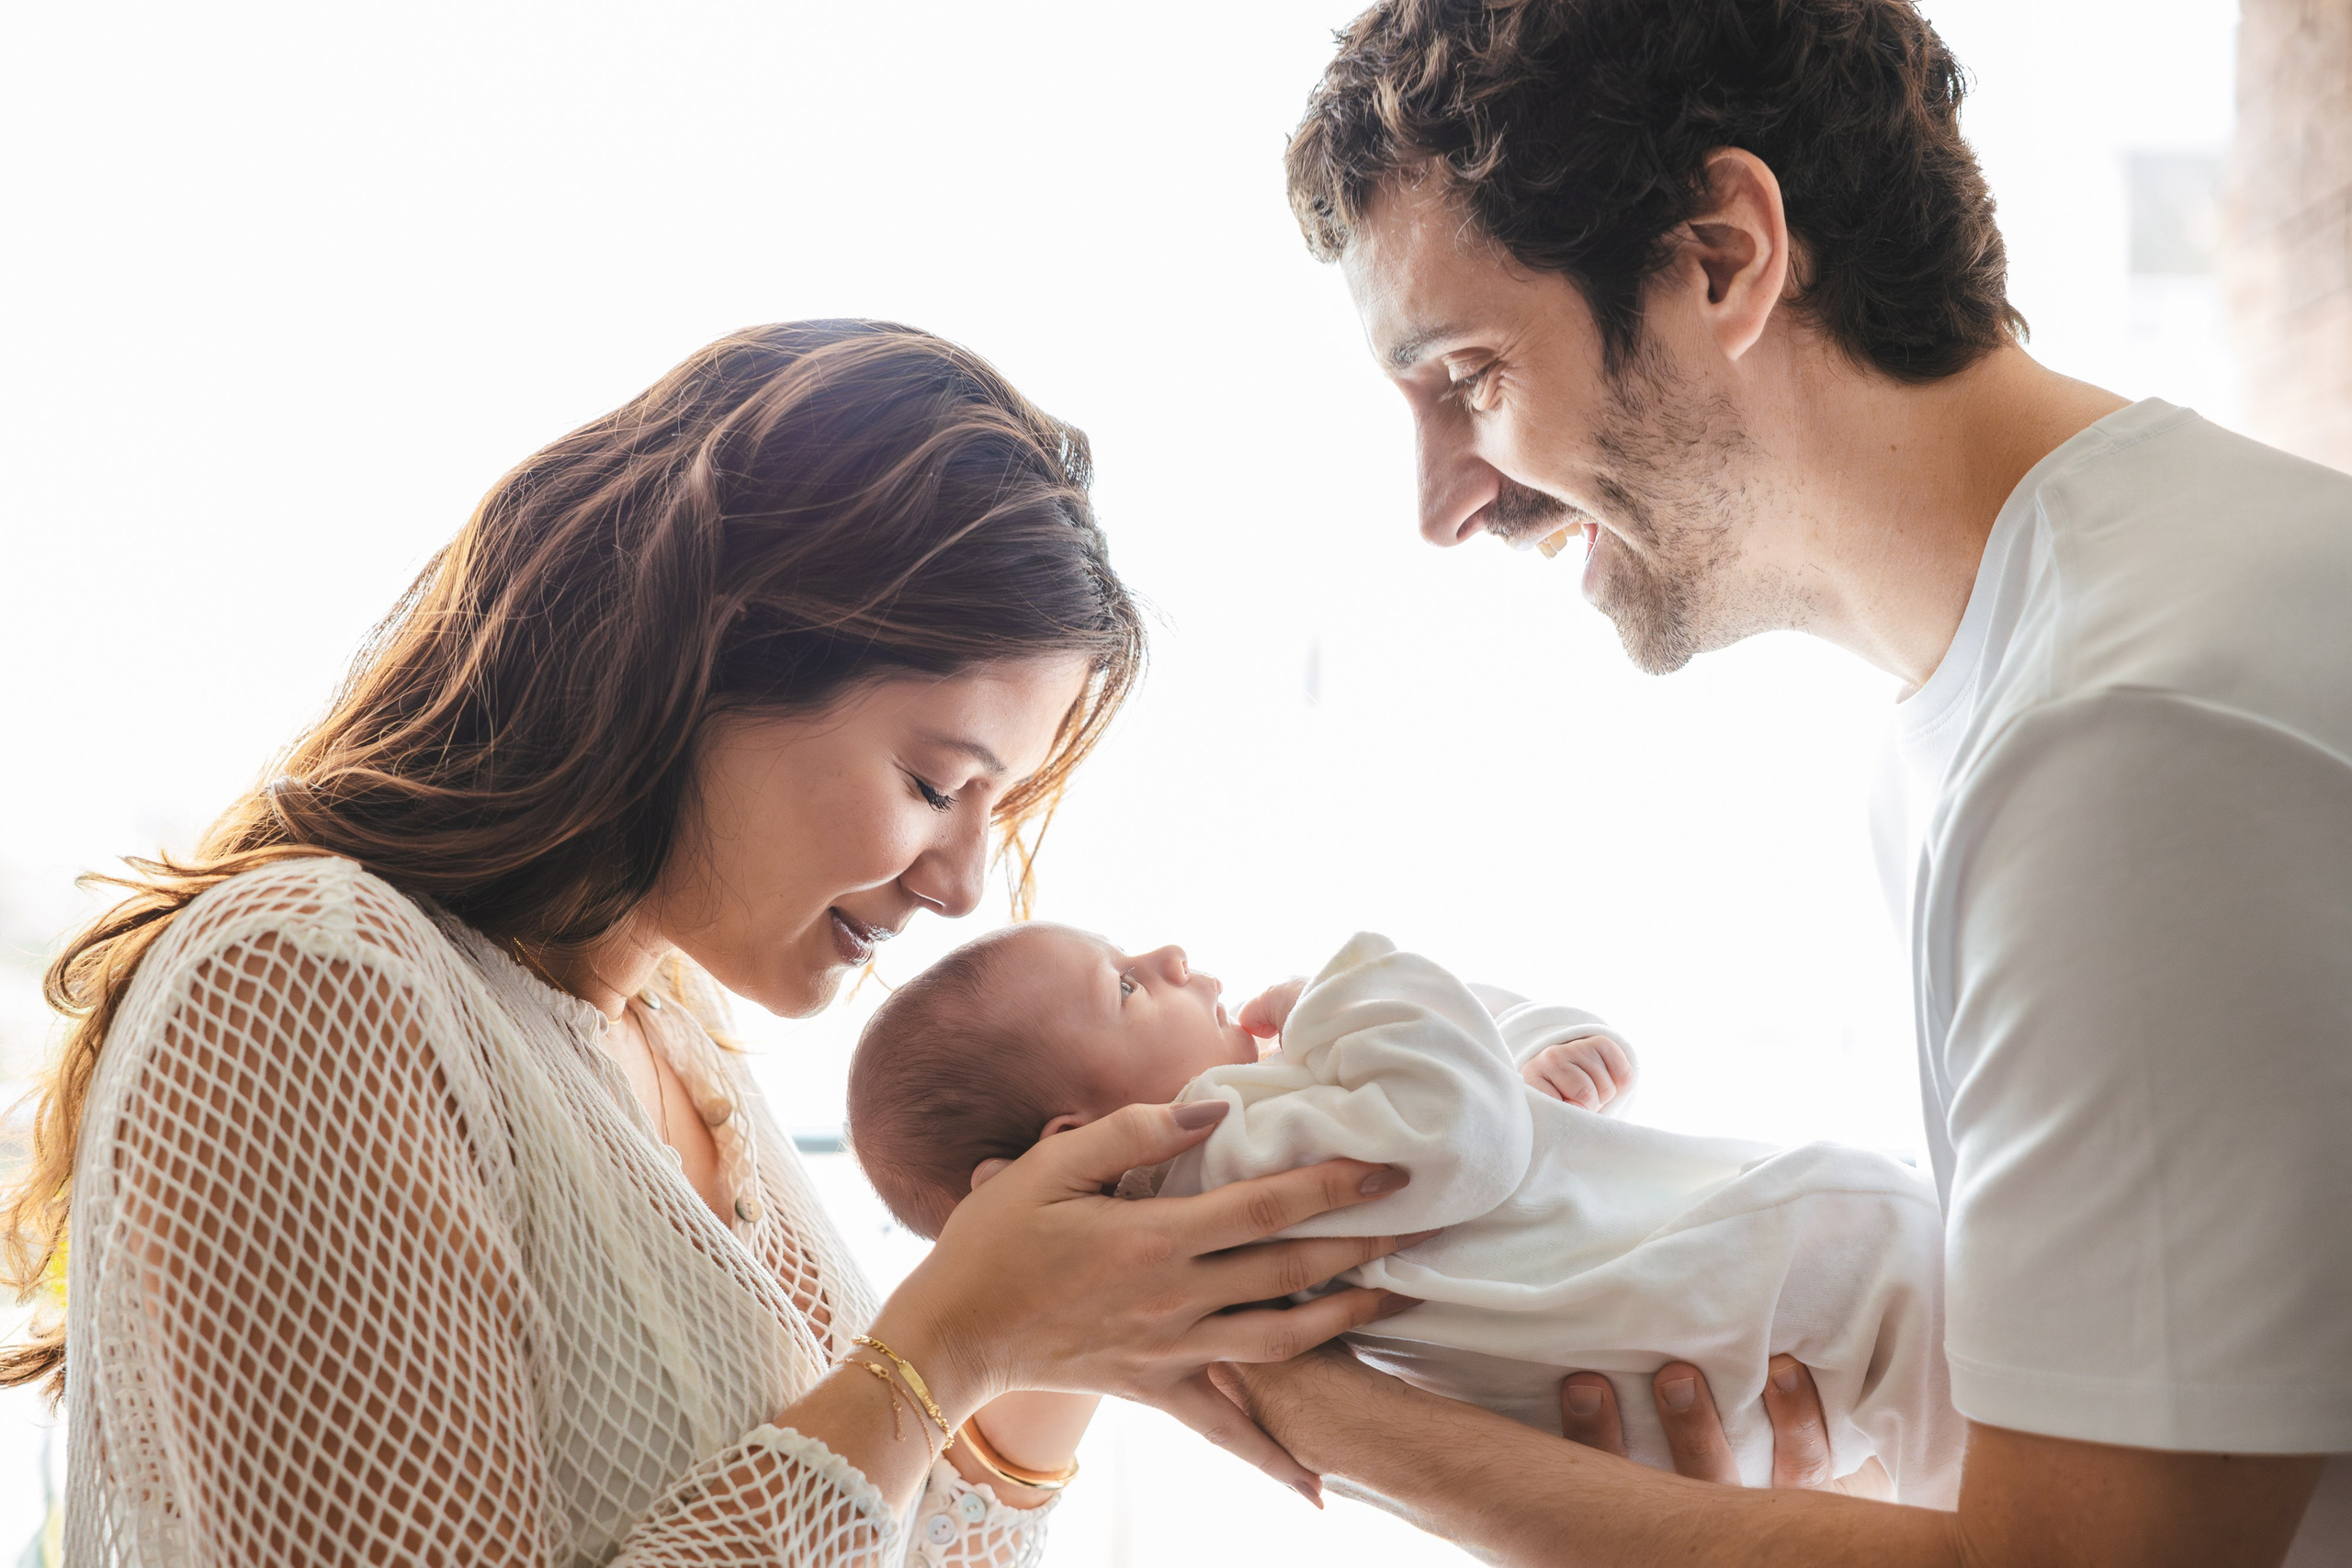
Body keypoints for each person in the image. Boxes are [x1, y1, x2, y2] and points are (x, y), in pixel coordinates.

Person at [1214, 1, 2352, 1564]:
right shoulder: (2048, 674)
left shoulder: (2123, 740)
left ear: (1722, 259)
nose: (1444, 503)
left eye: (1469, 376)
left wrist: (1283, 1390)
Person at [0, 321, 1427, 1566]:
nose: (963, 884)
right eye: (934, 781)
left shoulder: (671, 1032)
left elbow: (887, 1535)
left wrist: (1068, 1322)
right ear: (711, 648)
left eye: (997, 808)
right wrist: (949, 1344)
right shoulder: (309, 977)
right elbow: (882, 1421)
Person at [846, 922, 1961, 1502]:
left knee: (1960, 1460)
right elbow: (1463, 1130)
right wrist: (1349, 985)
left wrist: (1539, 1053)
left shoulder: (1219, 1224)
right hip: (1754, 1290)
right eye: (1125, 986)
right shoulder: (1213, 1155)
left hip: (1672, 1374)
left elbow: (1473, 1108)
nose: (1170, 956)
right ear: (1075, 1141)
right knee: (1905, 1257)